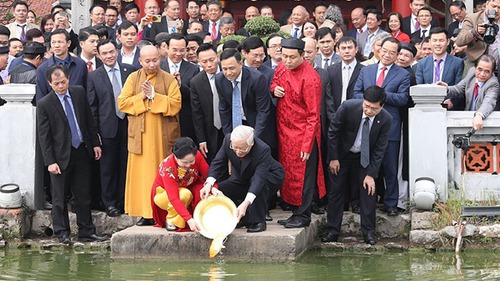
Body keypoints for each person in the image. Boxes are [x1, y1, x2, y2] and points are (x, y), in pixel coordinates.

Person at [36, 64, 107, 244]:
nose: (61, 86)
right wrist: (50, 161)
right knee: (59, 197)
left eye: (64, 82)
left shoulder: (78, 92)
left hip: (81, 150)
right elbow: (44, 136)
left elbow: (89, 120)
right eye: (57, 83)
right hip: (60, 156)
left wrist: (95, 144)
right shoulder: (45, 104)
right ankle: (62, 233)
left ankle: (86, 231)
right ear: (49, 83)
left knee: (83, 195)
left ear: (68, 79)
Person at [117, 45, 182, 226]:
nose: (152, 64)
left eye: (155, 60)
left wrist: (155, 97)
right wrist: (144, 98)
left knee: (161, 173)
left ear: (160, 58)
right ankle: (145, 212)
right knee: (142, 175)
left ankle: (164, 211)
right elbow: (122, 103)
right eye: (147, 61)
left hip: (162, 136)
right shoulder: (133, 78)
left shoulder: (169, 79)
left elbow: (176, 104)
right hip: (140, 136)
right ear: (140, 61)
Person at [321, 85, 392, 245]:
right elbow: (333, 131)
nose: (368, 110)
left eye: (373, 108)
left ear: (381, 106)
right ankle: (332, 231)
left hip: (365, 158)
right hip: (343, 155)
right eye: (366, 106)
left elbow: (380, 148)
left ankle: (369, 233)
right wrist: (333, 158)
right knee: (336, 192)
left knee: (368, 193)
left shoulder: (386, 119)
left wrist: (371, 174)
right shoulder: (348, 107)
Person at [271, 38, 326, 228]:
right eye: (284, 56)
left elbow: (313, 116)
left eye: (292, 57)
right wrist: (274, 89)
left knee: (304, 175)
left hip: (303, 134)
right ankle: (294, 211)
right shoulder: (281, 67)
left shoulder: (311, 79)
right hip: (284, 132)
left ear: (303, 55)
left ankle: (303, 215)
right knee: (289, 174)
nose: (287, 61)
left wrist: (307, 144)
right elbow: (274, 82)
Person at [354, 37, 410, 217]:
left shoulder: (403, 74)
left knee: (390, 166)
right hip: (366, 124)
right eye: (385, 50)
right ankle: (367, 200)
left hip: (390, 126)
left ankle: (391, 202)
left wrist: (380, 96)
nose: (387, 55)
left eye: (392, 52)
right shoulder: (366, 70)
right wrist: (369, 102)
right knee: (366, 164)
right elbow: (356, 92)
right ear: (378, 50)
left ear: (397, 55)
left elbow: (403, 99)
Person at [201, 125, 285, 233]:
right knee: (221, 188)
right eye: (235, 147)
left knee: (259, 186)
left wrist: (245, 204)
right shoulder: (227, 140)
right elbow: (218, 163)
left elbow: (258, 180)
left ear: (252, 143)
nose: (238, 152)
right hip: (244, 176)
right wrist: (209, 184)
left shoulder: (263, 150)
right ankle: (243, 217)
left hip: (269, 176)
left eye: (242, 148)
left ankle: (258, 221)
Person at [87, 39, 138, 217]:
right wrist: (95, 134)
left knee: (127, 165)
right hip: (106, 128)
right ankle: (110, 203)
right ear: (99, 56)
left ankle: (126, 201)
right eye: (104, 53)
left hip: (129, 125)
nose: (109, 56)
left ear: (117, 51)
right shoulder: (94, 76)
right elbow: (92, 107)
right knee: (107, 167)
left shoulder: (130, 70)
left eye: (111, 52)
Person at [215, 48, 275, 149]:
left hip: (255, 123)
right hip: (235, 123)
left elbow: (263, 111)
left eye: (232, 68)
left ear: (241, 64)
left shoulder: (256, 78)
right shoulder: (220, 79)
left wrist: (254, 138)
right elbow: (224, 109)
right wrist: (229, 136)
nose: (228, 73)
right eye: (224, 69)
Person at [151, 137, 209, 231]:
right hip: (164, 193)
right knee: (184, 194)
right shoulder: (168, 168)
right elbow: (173, 197)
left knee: (204, 191)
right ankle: (171, 220)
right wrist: (189, 220)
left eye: (191, 161)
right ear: (176, 157)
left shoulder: (197, 155)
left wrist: (213, 187)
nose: (189, 165)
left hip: (187, 186)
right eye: (184, 162)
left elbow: (208, 175)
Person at [439, 54, 499, 131]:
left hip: (483, 125)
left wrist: (479, 115)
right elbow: (459, 88)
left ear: (492, 73)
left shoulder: (493, 83)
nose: (482, 74)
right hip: (468, 120)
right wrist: (446, 88)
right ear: (475, 68)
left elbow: (489, 102)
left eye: (487, 71)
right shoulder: (472, 73)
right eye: (479, 69)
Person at [159, 33, 200, 143]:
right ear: (167, 48)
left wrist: (180, 86)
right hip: (161, 118)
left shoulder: (193, 69)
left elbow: (194, 96)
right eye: (174, 50)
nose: (178, 54)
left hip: (184, 120)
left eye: (182, 50)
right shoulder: (158, 67)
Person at [190, 43, 223, 163]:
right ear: (198, 62)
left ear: (218, 57)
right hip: (211, 132)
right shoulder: (196, 82)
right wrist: (201, 140)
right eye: (204, 61)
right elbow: (197, 114)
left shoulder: (228, 72)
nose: (209, 64)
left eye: (212, 60)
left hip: (230, 128)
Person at [35, 29, 88, 101]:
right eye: (53, 42)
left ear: (68, 43)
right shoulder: (43, 69)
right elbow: (41, 98)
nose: (56, 45)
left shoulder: (80, 65)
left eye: (60, 42)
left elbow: (86, 92)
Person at [456, 0, 500, 67]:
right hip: (476, 63)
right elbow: (459, 41)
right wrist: (474, 32)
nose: (496, 10)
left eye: (499, 8)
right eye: (494, 6)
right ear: (486, 4)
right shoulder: (472, 18)